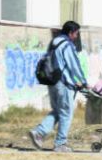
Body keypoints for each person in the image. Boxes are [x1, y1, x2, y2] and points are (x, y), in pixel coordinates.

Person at [29, 21, 89, 152]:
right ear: (70, 32)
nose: (77, 36)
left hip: (52, 82)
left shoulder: (54, 42)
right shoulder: (67, 45)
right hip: (63, 83)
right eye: (76, 33)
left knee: (58, 111)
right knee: (66, 113)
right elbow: (74, 65)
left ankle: (39, 132)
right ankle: (60, 144)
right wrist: (83, 81)